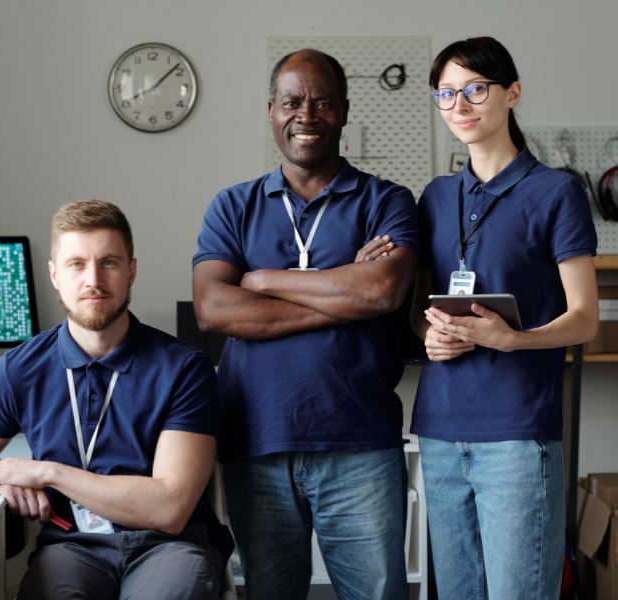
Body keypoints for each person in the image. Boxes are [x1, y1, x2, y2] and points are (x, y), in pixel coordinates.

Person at [192, 48, 420, 600]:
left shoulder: (387, 201)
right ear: (271, 110)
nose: (307, 114)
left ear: (343, 111)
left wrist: (262, 279)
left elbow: (383, 290)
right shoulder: (233, 207)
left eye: (322, 102)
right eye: (293, 102)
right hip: (257, 443)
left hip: (360, 444)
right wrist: (344, 292)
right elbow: (214, 309)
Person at [0, 200, 227, 600]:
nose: (93, 279)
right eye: (77, 264)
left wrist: (48, 473)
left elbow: (169, 508)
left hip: (168, 545)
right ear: (54, 275)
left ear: (131, 271)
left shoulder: (184, 368)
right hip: (72, 545)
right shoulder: (19, 369)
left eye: (108, 262)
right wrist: (1, 477)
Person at [408, 37, 599, 599]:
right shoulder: (436, 197)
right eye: (446, 93)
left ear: (511, 93)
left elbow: (585, 318)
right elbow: (420, 308)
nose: (459, 106)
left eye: (475, 89)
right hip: (440, 432)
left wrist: (512, 339)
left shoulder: (556, 192)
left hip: (517, 435)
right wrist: (429, 338)